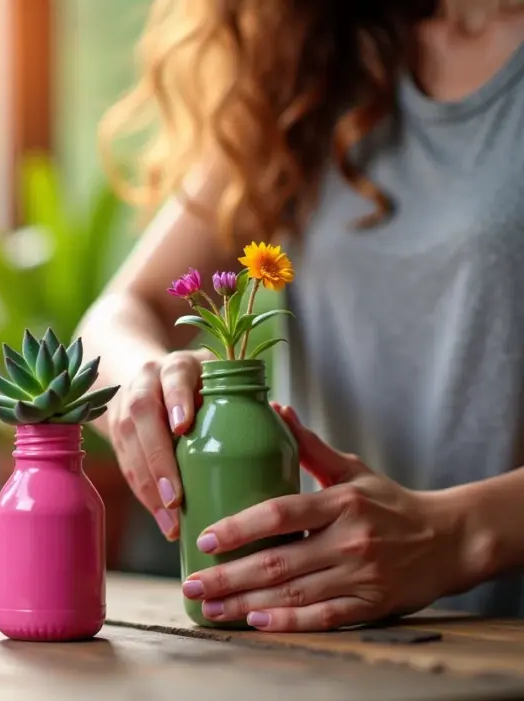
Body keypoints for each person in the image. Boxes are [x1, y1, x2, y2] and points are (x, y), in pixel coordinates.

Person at [76, 0, 524, 631]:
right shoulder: (312, 73)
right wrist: (145, 382)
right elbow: (120, 312)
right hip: (336, 641)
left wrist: (456, 534)